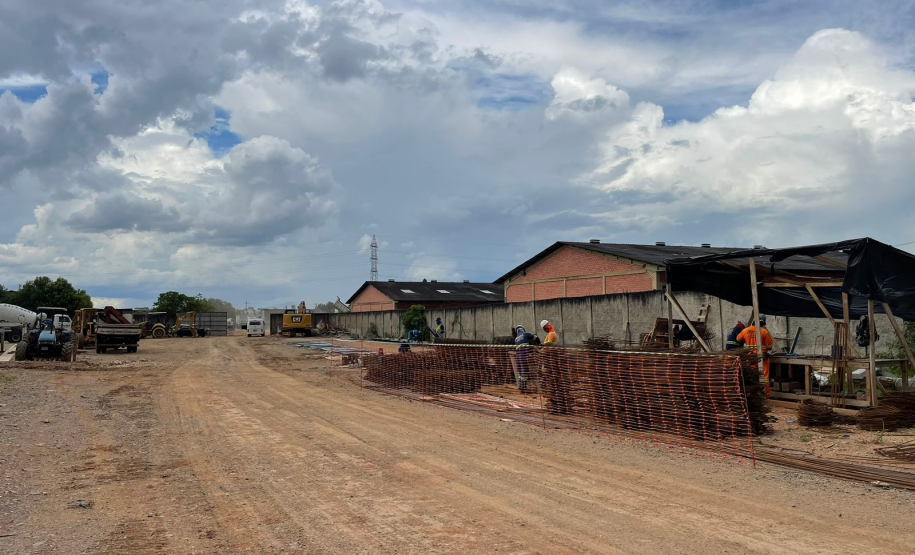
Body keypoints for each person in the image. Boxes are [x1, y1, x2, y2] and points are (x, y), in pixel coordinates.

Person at [737, 316, 774, 396]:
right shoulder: (764, 332)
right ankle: (765, 395)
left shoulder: (745, 330)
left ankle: (753, 394)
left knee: (752, 376)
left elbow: (738, 339)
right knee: (765, 378)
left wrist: (748, 340)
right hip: (762, 358)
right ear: (763, 322)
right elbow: (770, 346)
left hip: (750, 358)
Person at [513, 325, 539, 393]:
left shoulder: (516, 339)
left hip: (517, 358)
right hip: (524, 356)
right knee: (525, 371)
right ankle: (523, 388)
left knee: (520, 372)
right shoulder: (526, 334)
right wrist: (538, 344)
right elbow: (535, 337)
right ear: (523, 329)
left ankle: (521, 386)